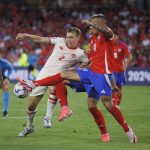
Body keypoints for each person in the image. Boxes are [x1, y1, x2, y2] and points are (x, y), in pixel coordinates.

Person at [20, 14, 137, 143]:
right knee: (64, 75)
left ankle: (127, 130)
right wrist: (88, 62)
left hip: (102, 76)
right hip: (90, 72)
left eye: (92, 25)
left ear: (98, 24)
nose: (89, 27)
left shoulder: (107, 36)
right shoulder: (93, 38)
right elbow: (98, 56)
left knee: (108, 105)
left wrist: (113, 84)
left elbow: (106, 34)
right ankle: (34, 84)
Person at [16, 27, 88, 137]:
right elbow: (40, 39)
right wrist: (26, 35)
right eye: (67, 36)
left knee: (55, 87)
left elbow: (92, 66)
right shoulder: (59, 40)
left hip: (57, 78)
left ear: (78, 38)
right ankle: (30, 127)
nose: (68, 39)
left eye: (71, 37)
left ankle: (47, 118)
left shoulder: (81, 54)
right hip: (43, 75)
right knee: (31, 105)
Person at [112, 34, 132, 105]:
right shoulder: (109, 44)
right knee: (113, 87)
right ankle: (114, 103)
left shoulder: (123, 45)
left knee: (120, 88)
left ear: (118, 37)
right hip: (112, 70)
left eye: (115, 36)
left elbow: (130, 56)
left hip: (120, 70)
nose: (113, 38)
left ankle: (117, 105)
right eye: (113, 36)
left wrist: (125, 64)